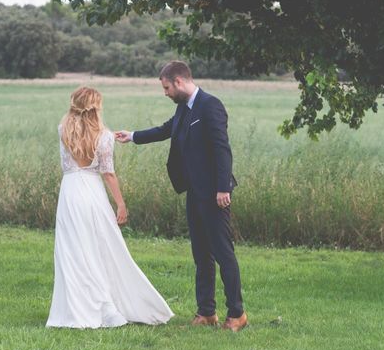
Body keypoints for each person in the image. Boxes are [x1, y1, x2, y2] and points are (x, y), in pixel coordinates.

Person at [115, 61, 247, 332]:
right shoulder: (183, 108)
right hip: (194, 192)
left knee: (223, 253)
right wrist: (133, 136)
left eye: (166, 87)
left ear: (178, 82)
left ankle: (237, 314)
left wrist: (223, 187)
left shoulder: (210, 105)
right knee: (201, 254)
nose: (165, 93)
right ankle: (206, 312)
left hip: (214, 193)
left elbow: (222, 148)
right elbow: (166, 130)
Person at [46, 86, 174, 329]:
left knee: (72, 250)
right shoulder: (103, 136)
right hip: (93, 193)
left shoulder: (62, 130)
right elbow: (108, 173)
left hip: (71, 192)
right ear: (96, 107)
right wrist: (120, 203)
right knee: (102, 247)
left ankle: (75, 309)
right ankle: (105, 305)